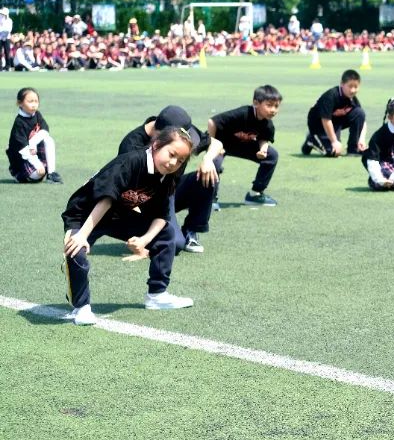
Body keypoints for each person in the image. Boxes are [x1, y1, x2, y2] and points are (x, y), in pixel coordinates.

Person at [61, 127, 196, 326]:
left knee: (166, 233)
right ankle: (81, 308)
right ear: (157, 145)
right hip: (85, 213)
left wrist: (144, 240)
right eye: (172, 154)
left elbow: (162, 216)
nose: (174, 163)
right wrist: (82, 235)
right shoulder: (131, 162)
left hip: (118, 214)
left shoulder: (166, 175)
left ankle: (157, 295)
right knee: (76, 250)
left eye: (181, 160)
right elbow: (105, 200)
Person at [118, 105, 223, 254]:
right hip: (142, 201)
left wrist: (207, 159)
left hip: (168, 192)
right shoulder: (131, 146)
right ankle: (142, 234)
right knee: (174, 244)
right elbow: (125, 194)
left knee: (208, 176)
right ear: (159, 138)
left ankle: (190, 231)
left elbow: (216, 143)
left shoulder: (180, 127)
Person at [207, 85, 281, 206]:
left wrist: (263, 150)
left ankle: (256, 194)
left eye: (276, 106)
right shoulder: (242, 113)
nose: (273, 110)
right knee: (214, 162)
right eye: (269, 105)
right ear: (256, 103)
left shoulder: (268, 124)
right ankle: (210, 200)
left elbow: (264, 139)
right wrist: (212, 144)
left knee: (271, 155)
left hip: (241, 144)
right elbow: (212, 122)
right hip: (221, 143)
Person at [302, 69, 367, 157]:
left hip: (334, 123)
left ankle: (353, 149)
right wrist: (334, 141)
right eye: (350, 86)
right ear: (342, 84)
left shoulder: (352, 99)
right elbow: (326, 120)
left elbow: (362, 120)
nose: (353, 90)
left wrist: (361, 139)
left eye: (356, 87)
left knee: (359, 113)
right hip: (318, 125)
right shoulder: (331, 96)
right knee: (332, 152)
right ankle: (311, 139)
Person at [6, 87, 62, 184]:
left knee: (48, 139)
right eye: (30, 101)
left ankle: (51, 173)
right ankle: (19, 177)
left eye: (36, 101)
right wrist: (37, 164)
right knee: (38, 174)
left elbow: (45, 130)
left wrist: (33, 142)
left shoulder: (37, 115)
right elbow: (23, 149)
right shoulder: (19, 123)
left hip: (34, 156)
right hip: (22, 163)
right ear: (19, 103)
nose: (34, 105)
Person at [0, 7, 12, 71]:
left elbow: (8, 30)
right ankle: (0, 66)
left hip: (7, 38)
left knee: (7, 52)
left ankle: (8, 66)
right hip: (0, 38)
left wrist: (3, 31)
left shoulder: (9, 20)